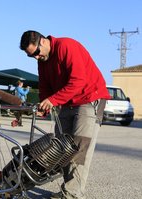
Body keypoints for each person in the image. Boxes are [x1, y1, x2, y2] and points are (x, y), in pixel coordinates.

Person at [19, 30, 110, 199]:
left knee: (79, 148)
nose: (36, 58)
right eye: (31, 56)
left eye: (36, 53)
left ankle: (72, 194)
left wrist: (53, 100)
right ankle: (68, 189)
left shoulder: (66, 46)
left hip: (89, 98)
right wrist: (44, 105)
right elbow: (45, 85)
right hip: (68, 102)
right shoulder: (43, 60)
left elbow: (78, 80)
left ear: (44, 42)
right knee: (63, 148)